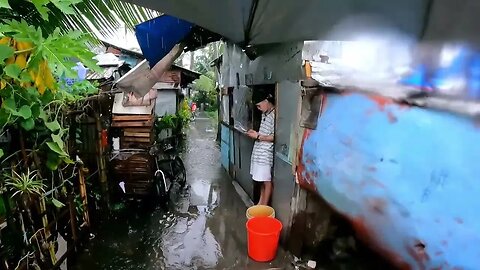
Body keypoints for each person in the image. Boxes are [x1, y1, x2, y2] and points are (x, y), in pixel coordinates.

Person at [247, 92, 275, 205]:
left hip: (266, 153)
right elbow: (265, 133)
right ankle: (260, 203)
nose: (258, 108)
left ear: (266, 101)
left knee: (267, 181)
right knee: (261, 181)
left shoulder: (275, 115)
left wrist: (258, 136)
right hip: (259, 151)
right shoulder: (265, 114)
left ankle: (264, 206)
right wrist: (256, 133)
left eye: (259, 105)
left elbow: (274, 137)